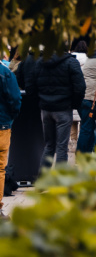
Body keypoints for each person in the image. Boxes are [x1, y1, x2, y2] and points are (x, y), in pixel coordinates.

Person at [23, 45, 85, 165]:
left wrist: (40, 101)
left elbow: (30, 85)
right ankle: (59, 181)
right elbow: (80, 87)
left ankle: (43, 179)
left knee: (49, 146)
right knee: (62, 147)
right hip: (63, 108)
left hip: (46, 108)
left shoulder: (40, 62)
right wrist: (74, 104)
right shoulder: (71, 62)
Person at [0, 53, 22, 216]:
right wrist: (11, 117)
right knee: (0, 167)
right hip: (2, 125)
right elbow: (15, 99)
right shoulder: (5, 73)